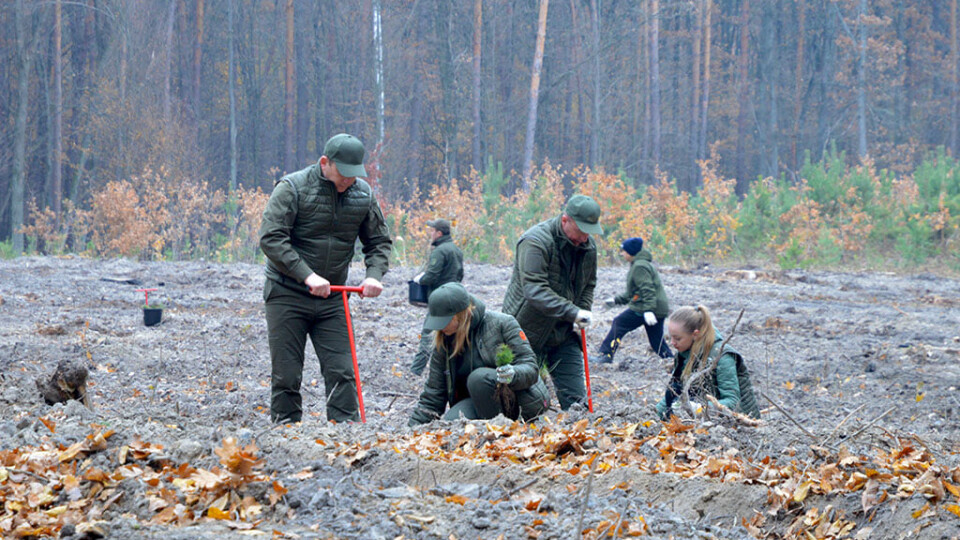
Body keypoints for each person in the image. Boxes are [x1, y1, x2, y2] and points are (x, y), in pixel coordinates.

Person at [259, 133, 392, 424]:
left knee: (342, 371)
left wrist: (374, 275)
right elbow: (271, 239)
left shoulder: (363, 195)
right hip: (287, 294)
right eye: (343, 173)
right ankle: (286, 434)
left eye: (355, 174)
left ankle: (346, 434)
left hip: (332, 299)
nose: (349, 180)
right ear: (324, 163)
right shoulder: (292, 188)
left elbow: (379, 242)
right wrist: (306, 275)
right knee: (287, 373)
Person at [502, 194, 601, 410]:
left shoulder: (587, 247)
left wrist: (582, 312)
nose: (585, 238)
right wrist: (572, 311)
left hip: (563, 334)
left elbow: (588, 285)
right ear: (565, 220)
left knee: (579, 405)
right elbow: (535, 290)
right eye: (581, 231)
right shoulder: (535, 241)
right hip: (525, 334)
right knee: (532, 405)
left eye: (589, 232)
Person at [409, 283, 550, 425]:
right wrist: (410, 430)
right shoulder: (444, 343)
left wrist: (513, 374)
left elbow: (531, 368)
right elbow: (433, 394)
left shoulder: (502, 323)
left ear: (461, 315)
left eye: (445, 321)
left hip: (519, 401)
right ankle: (487, 429)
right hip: (476, 403)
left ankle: (502, 430)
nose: (440, 327)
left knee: (478, 378)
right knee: (451, 422)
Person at [656, 305, 760, 420]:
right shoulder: (684, 354)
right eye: (671, 337)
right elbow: (674, 393)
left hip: (738, 423)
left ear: (695, 334)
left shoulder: (722, 356)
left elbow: (732, 401)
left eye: (677, 338)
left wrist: (700, 409)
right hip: (703, 420)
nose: (672, 343)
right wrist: (653, 414)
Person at [595, 237, 673, 364]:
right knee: (656, 342)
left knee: (619, 323)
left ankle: (605, 355)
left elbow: (647, 288)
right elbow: (633, 293)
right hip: (656, 307)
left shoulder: (639, 266)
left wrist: (648, 310)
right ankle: (672, 361)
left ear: (631, 252)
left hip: (647, 307)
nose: (622, 254)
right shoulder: (640, 264)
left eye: (624, 251)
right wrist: (615, 300)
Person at [410, 218, 464, 375]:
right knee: (453, 335)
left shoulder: (440, 251)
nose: (431, 234)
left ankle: (415, 371)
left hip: (440, 300)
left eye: (432, 231)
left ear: (439, 233)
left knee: (428, 336)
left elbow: (432, 276)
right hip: (455, 297)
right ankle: (453, 369)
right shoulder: (456, 249)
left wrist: (420, 278)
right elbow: (460, 274)